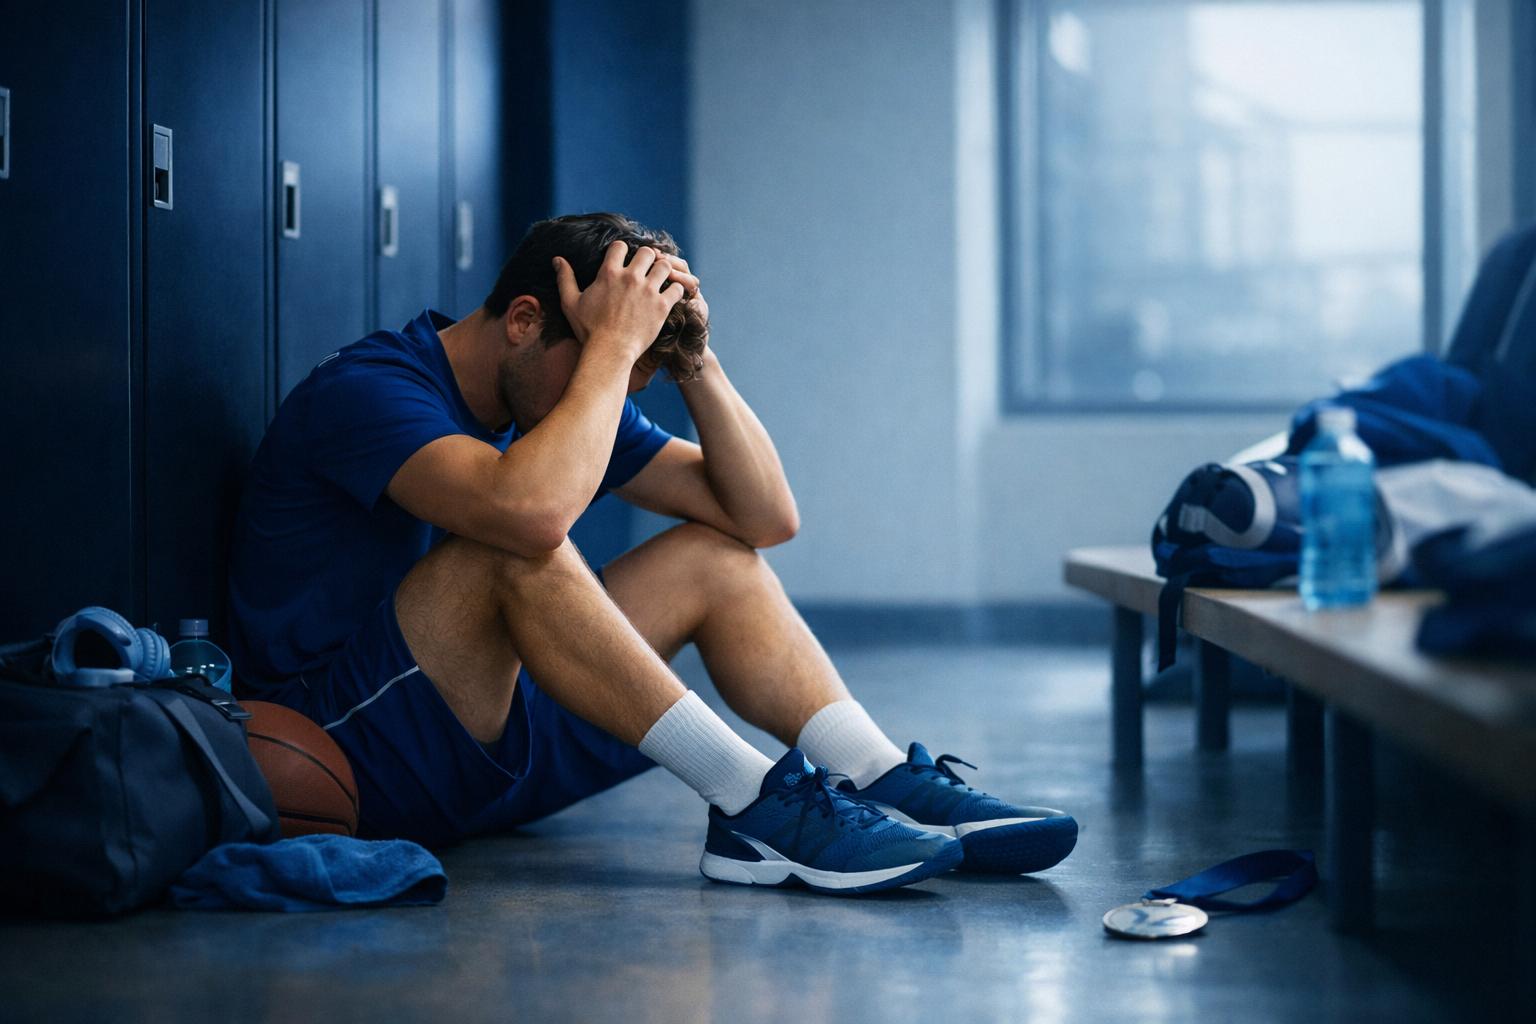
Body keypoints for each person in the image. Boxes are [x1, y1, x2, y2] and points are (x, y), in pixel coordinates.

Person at [228, 212, 1077, 895]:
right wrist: (610, 353)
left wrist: (692, 358)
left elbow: (763, 517)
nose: (610, 398)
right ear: (525, 321)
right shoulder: (369, 391)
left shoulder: (563, 384)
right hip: (348, 752)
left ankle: (877, 772)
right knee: (515, 544)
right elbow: (526, 516)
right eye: (604, 360)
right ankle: (753, 801)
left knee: (714, 557)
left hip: (483, 745)